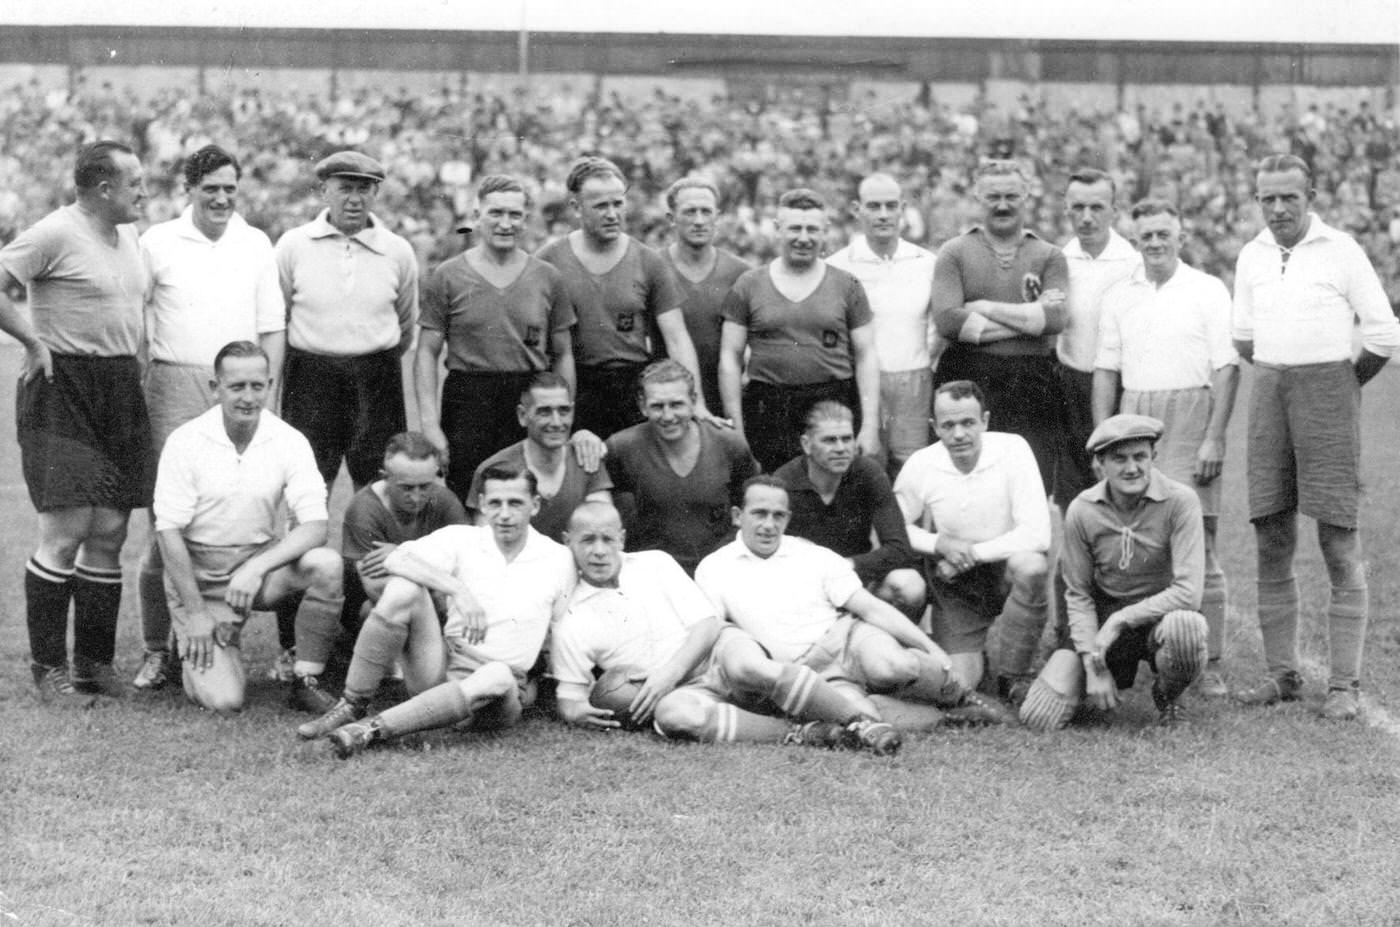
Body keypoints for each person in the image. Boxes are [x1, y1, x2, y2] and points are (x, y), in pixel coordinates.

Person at [1231, 153, 1400, 721]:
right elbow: (1244, 338)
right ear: (1257, 200)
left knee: (1337, 539)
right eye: (1268, 198)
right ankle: (1282, 674)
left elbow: (1382, 334)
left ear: (1312, 196)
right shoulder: (1250, 255)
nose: (1278, 208)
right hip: (1270, 392)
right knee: (1271, 535)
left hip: (1329, 390)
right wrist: (1283, 370)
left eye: (1289, 197)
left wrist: (1339, 385)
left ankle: (1345, 685)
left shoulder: (1343, 250)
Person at [552, 501, 900, 753]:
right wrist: (593, 711)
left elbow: (706, 625)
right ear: (569, 541)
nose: (598, 551)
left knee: (748, 665)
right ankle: (803, 733)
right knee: (676, 716)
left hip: (715, 650)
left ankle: (859, 722)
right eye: (587, 540)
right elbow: (570, 699)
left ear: (622, 539)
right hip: (679, 689)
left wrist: (668, 673)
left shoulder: (654, 563)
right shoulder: (571, 621)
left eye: (607, 539)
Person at [0, 140, 151, 703]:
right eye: (135, 181)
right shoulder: (55, 232)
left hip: (118, 388)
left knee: (111, 529)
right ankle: (49, 670)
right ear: (104, 188)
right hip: (64, 387)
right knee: (65, 531)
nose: (144, 190)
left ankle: (94, 664)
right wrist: (31, 339)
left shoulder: (130, 235)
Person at [132, 144, 287, 691]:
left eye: (229, 188)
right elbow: (137, 317)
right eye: (210, 188)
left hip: (242, 384)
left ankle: (223, 634)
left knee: (243, 510)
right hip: (176, 382)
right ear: (189, 190)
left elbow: (272, 325)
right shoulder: (157, 241)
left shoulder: (255, 242)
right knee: (165, 522)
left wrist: (267, 387)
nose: (221, 198)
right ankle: (157, 649)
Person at [295, 463, 575, 754]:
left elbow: (563, 628)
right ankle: (352, 705)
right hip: (447, 665)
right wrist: (457, 589)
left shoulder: (558, 559)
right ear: (481, 504)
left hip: (502, 691)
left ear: (535, 505)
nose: (504, 514)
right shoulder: (464, 539)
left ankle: (370, 730)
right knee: (404, 588)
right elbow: (396, 560)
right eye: (495, 503)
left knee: (497, 673)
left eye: (515, 503)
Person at [696, 476, 1014, 728]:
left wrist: (933, 649)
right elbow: (712, 634)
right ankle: (948, 717)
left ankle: (961, 695)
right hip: (805, 671)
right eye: (759, 514)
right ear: (738, 516)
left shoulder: (811, 555)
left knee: (892, 665)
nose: (769, 524)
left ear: (788, 518)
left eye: (778, 515)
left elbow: (871, 607)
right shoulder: (714, 568)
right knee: (862, 716)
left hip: (847, 639)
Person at [1092, 199, 1239, 697]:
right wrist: (1102, 436)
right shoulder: (1120, 294)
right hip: (1135, 417)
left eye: (1163, 234)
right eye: (1146, 236)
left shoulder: (1207, 289)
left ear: (1182, 234)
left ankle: (1209, 660)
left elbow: (1226, 367)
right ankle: (1139, 646)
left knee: (1204, 539)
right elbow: (1106, 369)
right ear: (1135, 240)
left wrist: (1214, 436)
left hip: (1191, 413)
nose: (1154, 243)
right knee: (1134, 535)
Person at [154, 341, 345, 714]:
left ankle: (306, 679)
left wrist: (257, 567)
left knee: (326, 564)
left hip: (255, 568)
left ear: (270, 385)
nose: (248, 397)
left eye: (257, 386)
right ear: (215, 388)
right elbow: (168, 532)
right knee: (226, 701)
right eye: (236, 386)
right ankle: (195, 643)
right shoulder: (185, 442)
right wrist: (195, 613)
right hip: (200, 577)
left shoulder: (289, 439)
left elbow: (316, 525)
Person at [1019, 415, 1208, 730]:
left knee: (1186, 628)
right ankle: (1094, 677)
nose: (1131, 468)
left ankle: (1170, 695)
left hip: (1158, 617)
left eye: (1140, 457)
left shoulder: (1181, 501)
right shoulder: (1083, 509)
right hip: (1103, 617)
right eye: (1119, 459)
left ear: (1153, 458)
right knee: (1039, 716)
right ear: (1099, 464)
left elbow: (1189, 593)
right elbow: (1077, 593)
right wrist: (1091, 663)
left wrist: (1122, 620)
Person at [415, 174, 576, 498]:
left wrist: (563, 413)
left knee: (532, 497)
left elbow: (563, 354)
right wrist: (430, 425)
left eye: (514, 215)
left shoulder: (547, 277)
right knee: (469, 500)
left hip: (529, 395)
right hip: (468, 398)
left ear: (526, 220)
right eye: (496, 213)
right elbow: (426, 353)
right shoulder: (448, 275)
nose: (505, 223)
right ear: (476, 217)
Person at [893, 380, 1051, 703]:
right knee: (963, 682)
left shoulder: (1014, 449)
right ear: (934, 427)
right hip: (957, 582)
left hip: (1002, 568)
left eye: (968, 423)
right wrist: (940, 544)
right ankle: (969, 659)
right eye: (948, 425)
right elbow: (894, 526)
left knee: (1032, 566)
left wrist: (971, 553)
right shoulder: (922, 464)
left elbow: (1037, 533)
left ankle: (1014, 673)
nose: (959, 434)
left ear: (986, 421)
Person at [536, 156, 713, 438]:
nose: (612, 214)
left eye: (618, 204)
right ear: (576, 207)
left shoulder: (648, 261)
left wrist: (698, 403)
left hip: (632, 386)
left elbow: (677, 339)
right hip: (573, 383)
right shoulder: (549, 260)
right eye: (601, 206)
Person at [275, 150, 418, 488]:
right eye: (345, 188)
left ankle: (370, 542)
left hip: (376, 378)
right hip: (310, 378)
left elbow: (406, 323)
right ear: (324, 190)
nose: (355, 199)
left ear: (376, 194)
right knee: (306, 483)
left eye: (364, 189)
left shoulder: (397, 250)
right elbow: (278, 317)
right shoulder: (293, 245)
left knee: (378, 484)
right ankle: (305, 544)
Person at [719, 187, 881, 473]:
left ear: (825, 231)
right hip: (768, 407)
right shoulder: (749, 284)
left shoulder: (847, 285)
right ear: (778, 229)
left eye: (812, 229)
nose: (803, 238)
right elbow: (730, 359)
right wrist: (736, 428)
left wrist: (868, 426)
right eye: (795, 228)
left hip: (832, 401)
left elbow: (866, 356)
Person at [931, 158, 1070, 490]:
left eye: (1011, 196)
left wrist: (985, 307)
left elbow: (1055, 319)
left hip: (1032, 379)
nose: (1003, 205)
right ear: (979, 199)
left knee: (1030, 478)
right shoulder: (954, 252)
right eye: (993, 197)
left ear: (1026, 197)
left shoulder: (1049, 255)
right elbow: (949, 321)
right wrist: (1028, 320)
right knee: (966, 478)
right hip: (969, 375)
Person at [827, 173, 939, 475]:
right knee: (864, 469)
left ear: (902, 208)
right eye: (874, 206)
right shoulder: (838, 265)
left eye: (891, 206)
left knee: (913, 472)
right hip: (861, 383)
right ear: (856, 209)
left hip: (913, 382)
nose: (883, 215)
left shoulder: (925, 262)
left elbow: (939, 328)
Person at [605, 360, 758, 575]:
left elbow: (752, 506)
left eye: (676, 404)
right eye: (657, 406)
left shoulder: (728, 444)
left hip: (720, 571)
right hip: (653, 576)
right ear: (642, 405)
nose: (668, 416)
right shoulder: (622, 448)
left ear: (693, 401)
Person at [771, 400, 923, 616]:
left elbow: (900, 548)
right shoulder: (783, 483)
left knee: (910, 585)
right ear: (806, 444)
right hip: (804, 588)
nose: (841, 448)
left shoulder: (868, 473)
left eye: (847, 439)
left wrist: (846, 565)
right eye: (829, 440)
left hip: (856, 579)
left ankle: (892, 642)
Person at [1054, 167, 1140, 507]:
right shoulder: (1058, 259)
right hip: (1070, 385)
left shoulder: (1132, 262)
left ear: (1114, 212)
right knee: (1072, 491)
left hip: (1120, 387)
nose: (1086, 218)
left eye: (1097, 208)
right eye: (1078, 208)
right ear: (1066, 210)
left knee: (1123, 485)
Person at [341, 432, 468, 634]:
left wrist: (402, 555)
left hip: (432, 597)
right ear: (386, 477)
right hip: (374, 608)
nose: (417, 497)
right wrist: (441, 584)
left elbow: (470, 562)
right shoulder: (364, 509)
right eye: (406, 488)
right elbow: (376, 588)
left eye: (425, 486)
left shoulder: (444, 500)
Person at [465, 372, 612, 543]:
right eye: (545, 412)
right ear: (522, 416)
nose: (557, 422)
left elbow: (604, 530)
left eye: (563, 411)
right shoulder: (494, 469)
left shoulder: (587, 459)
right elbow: (486, 545)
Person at [659, 176, 751, 413]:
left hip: (727, 398)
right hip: (667, 402)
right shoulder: (653, 268)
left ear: (717, 217)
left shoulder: (740, 273)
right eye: (689, 212)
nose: (699, 221)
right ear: (672, 219)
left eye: (706, 212)